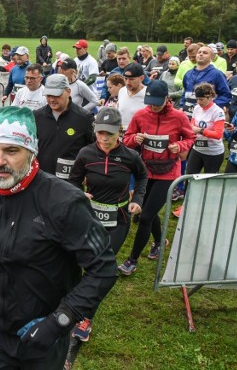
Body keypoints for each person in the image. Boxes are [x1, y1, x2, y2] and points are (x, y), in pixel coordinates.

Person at [0, 106, 117, 369]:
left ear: (32, 151)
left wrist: (61, 320)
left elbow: (103, 267)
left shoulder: (64, 202)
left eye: (11, 151)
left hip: (41, 333)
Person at [68, 106, 146, 341]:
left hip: (118, 220)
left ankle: (85, 317)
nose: (104, 138)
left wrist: (138, 199)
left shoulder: (130, 156)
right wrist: (80, 194)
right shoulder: (85, 154)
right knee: (85, 263)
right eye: (100, 132)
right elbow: (72, 180)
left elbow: (143, 176)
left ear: (119, 132)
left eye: (109, 134)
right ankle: (76, 299)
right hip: (90, 218)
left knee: (100, 267)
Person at [118, 80, 195, 276]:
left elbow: (190, 137)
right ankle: (160, 242)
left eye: (157, 103)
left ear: (167, 99)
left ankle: (132, 260)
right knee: (149, 212)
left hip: (168, 172)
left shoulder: (178, 117)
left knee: (144, 216)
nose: (152, 106)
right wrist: (135, 139)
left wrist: (180, 146)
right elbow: (127, 138)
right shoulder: (141, 115)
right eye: (149, 102)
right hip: (145, 171)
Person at [33, 73, 95, 178]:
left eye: (56, 95)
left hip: (72, 182)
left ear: (68, 91)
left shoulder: (84, 118)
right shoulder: (37, 116)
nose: (52, 99)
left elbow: (92, 149)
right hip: (43, 179)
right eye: (48, 95)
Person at [186, 83, 226, 175]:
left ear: (210, 97)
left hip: (213, 152)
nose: (199, 102)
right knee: (189, 177)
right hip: (198, 149)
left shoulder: (217, 111)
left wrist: (201, 130)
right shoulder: (196, 108)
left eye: (201, 99)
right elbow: (192, 125)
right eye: (197, 99)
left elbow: (218, 135)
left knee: (210, 182)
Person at [118, 63, 148, 131]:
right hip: (121, 135)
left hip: (138, 136)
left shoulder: (148, 94)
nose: (128, 82)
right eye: (125, 79)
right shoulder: (122, 91)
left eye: (131, 79)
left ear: (141, 78)